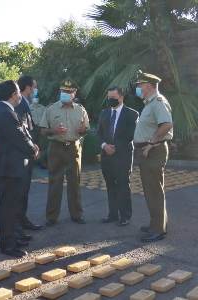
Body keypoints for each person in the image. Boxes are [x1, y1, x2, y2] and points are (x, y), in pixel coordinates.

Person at [0, 80, 39, 258]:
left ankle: (14, 238)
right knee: (8, 208)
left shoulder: (5, 110)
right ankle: (8, 245)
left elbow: (21, 132)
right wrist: (33, 148)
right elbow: (18, 137)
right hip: (8, 169)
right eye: (18, 92)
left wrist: (31, 146)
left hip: (11, 168)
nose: (20, 95)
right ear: (12, 94)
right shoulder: (5, 113)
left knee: (12, 206)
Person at [40, 80, 90, 226]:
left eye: (68, 92)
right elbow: (43, 130)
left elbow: (86, 129)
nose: (65, 94)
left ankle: (76, 214)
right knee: (55, 182)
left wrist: (83, 131)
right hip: (56, 147)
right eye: (63, 91)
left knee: (75, 182)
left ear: (74, 94)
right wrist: (54, 131)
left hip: (74, 148)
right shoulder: (51, 109)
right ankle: (51, 217)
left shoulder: (81, 110)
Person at [133, 71, 173, 243]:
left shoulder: (157, 102)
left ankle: (158, 230)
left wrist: (151, 143)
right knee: (151, 190)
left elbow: (167, 124)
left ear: (149, 86)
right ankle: (156, 224)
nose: (138, 88)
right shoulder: (149, 103)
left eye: (140, 85)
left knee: (154, 190)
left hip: (153, 151)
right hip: (148, 151)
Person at [97, 87, 139, 226]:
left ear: (121, 97)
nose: (110, 100)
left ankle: (125, 216)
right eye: (108, 97)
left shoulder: (132, 114)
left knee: (123, 185)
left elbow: (131, 135)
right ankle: (113, 214)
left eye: (113, 97)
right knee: (110, 185)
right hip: (106, 156)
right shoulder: (104, 113)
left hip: (123, 156)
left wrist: (115, 148)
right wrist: (105, 146)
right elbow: (99, 134)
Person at [15, 75, 43, 232]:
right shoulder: (19, 105)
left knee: (24, 190)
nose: (35, 90)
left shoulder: (25, 103)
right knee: (20, 190)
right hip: (23, 155)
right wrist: (31, 148)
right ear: (27, 87)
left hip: (28, 152)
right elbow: (22, 132)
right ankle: (20, 223)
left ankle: (22, 220)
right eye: (34, 87)